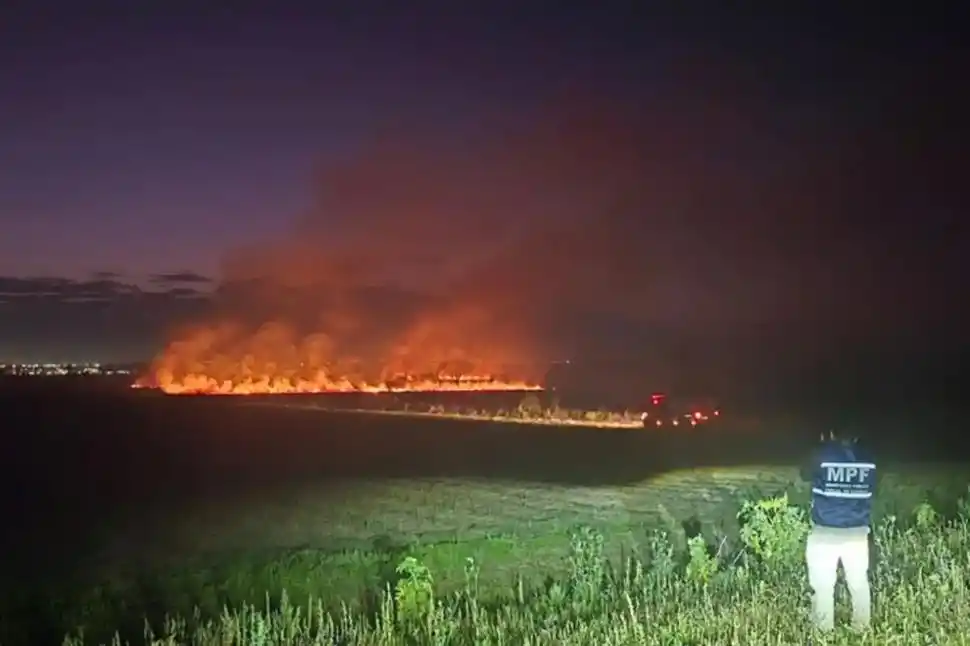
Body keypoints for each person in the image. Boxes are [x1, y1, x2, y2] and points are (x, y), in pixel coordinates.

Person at [799, 430, 876, 632]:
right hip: (858, 531)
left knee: (823, 587)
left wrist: (822, 446)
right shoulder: (868, 457)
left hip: (826, 531)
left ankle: (823, 632)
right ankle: (861, 629)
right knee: (859, 583)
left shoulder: (822, 454)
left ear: (831, 432)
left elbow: (804, 473)